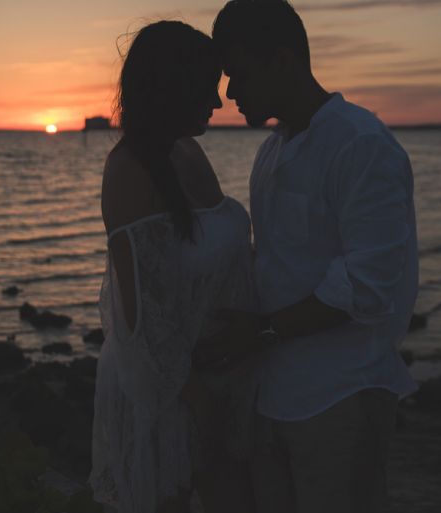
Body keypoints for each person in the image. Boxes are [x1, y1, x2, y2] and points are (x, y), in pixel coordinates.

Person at [211, 1, 420, 512]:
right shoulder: (272, 151)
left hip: (341, 396)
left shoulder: (361, 144)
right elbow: (277, 265)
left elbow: (368, 285)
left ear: (282, 60)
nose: (229, 93)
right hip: (273, 396)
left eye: (238, 74)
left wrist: (258, 332)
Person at [88, 21, 257, 513]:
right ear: (173, 86)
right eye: (208, 87)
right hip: (173, 397)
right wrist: (200, 403)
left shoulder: (188, 150)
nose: (219, 102)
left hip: (218, 380)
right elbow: (144, 319)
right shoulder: (130, 171)